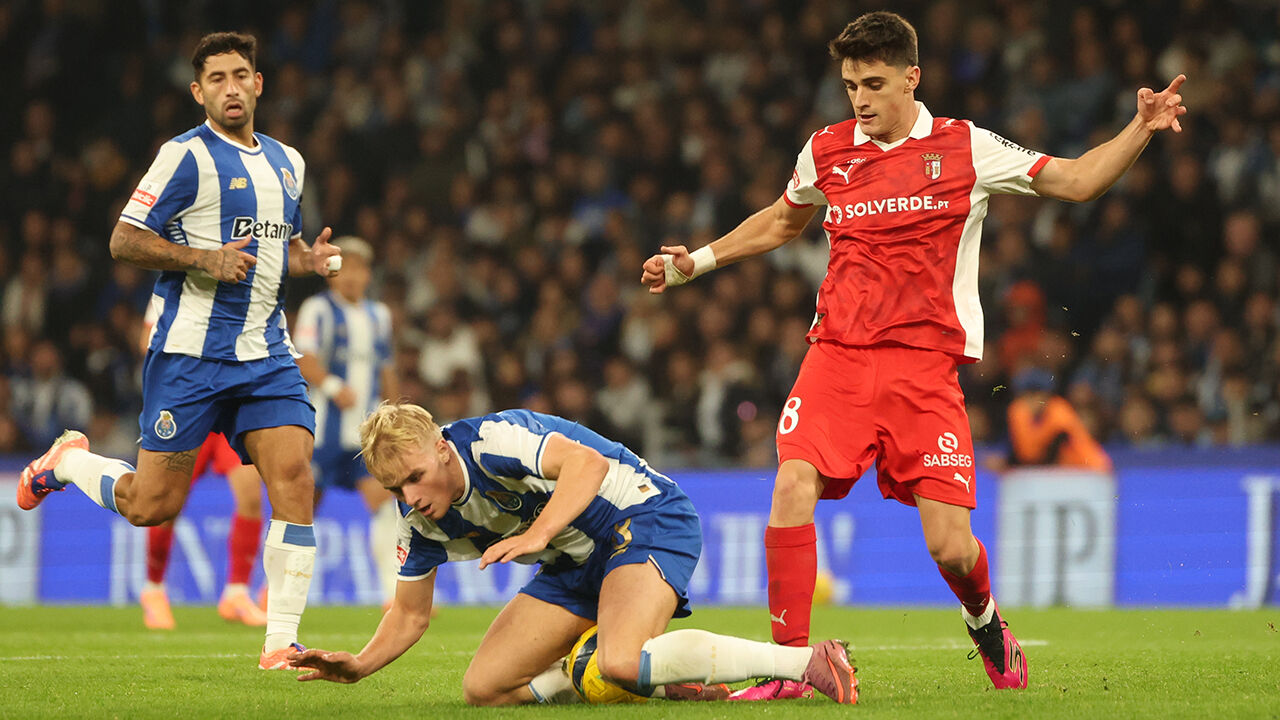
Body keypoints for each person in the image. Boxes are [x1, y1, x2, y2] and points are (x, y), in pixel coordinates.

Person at [641, 10, 1185, 698]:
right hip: (836, 355)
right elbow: (784, 219)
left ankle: (985, 621)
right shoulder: (829, 149)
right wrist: (696, 264)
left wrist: (1140, 126)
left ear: (911, 78)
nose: (860, 99)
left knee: (950, 547)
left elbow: (1076, 182)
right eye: (849, 85)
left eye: (872, 83)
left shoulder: (964, 149)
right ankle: (793, 669)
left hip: (925, 368)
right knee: (790, 485)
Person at [15, 31, 340, 670]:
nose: (230, 87)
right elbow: (123, 240)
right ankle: (72, 462)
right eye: (215, 78)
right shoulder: (183, 157)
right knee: (152, 505)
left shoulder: (288, 163)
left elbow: (274, 250)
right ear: (199, 92)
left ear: (258, 84)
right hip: (190, 355)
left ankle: (281, 644)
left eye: (239, 75)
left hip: (267, 353)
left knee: (295, 478)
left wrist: (307, 259)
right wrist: (200, 257)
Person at [286, 402, 858, 705]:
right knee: (484, 690)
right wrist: (359, 665)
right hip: (573, 559)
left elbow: (588, 464)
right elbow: (409, 614)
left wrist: (535, 537)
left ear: (441, 448)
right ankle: (633, 676)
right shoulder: (418, 523)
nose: (409, 497)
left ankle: (808, 663)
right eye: (395, 490)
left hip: (644, 517)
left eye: (413, 478)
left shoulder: (493, 441)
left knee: (621, 661)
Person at [135, 296, 269, 631]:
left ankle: (237, 592)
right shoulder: (179, 284)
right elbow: (146, 341)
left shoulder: (244, 287)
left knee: (251, 496)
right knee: (166, 505)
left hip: (230, 409)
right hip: (190, 408)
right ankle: (154, 590)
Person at [293, 236, 400, 606]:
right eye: (345, 267)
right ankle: (275, 590)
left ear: (369, 274)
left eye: (360, 267)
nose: (352, 275)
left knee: (387, 505)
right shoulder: (316, 310)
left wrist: (396, 411)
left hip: (365, 436)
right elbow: (303, 359)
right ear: (331, 272)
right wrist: (334, 385)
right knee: (300, 510)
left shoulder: (379, 316)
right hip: (323, 432)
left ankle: (393, 592)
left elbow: (386, 368)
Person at [1004, 368, 1112, 472]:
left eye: (1036, 394)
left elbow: (1043, 455)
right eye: (1026, 395)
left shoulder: (1059, 411)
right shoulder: (1018, 410)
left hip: (1088, 469)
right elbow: (1026, 452)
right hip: (1061, 472)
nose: (1031, 401)